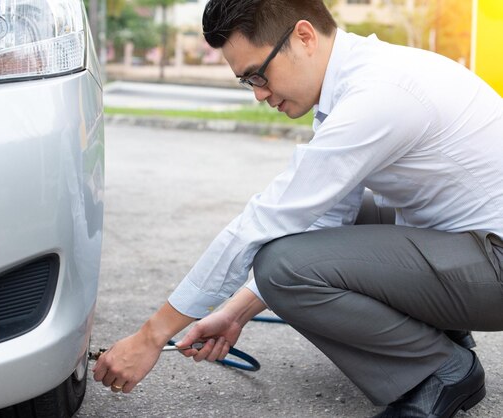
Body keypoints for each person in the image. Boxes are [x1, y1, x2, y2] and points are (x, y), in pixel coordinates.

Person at [93, 0, 503, 416]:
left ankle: (439, 371)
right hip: (471, 247)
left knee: (281, 262)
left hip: (495, 262)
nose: (258, 94)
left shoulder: (379, 95)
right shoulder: (357, 81)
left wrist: (150, 337)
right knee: (308, 239)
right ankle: (441, 335)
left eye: (258, 74)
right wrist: (236, 312)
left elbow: (268, 220)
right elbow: (323, 219)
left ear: (304, 37)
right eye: (246, 81)